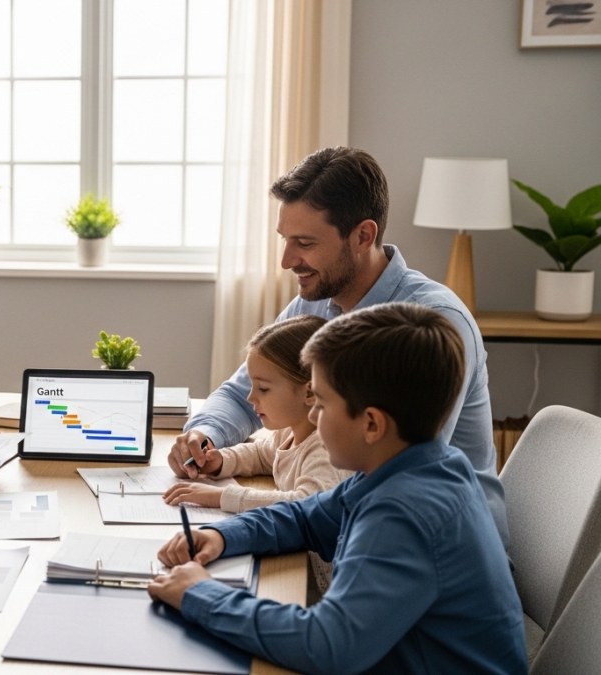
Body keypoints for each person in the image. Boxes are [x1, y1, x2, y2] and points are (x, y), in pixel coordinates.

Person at [149, 303, 526, 673]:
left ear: (372, 425)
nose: (312, 415)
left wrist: (202, 594)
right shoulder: (410, 466)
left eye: (323, 403)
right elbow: (306, 517)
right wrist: (221, 535)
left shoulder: (404, 513)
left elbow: (327, 645)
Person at [170, 146, 509, 546]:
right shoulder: (315, 300)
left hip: (436, 552)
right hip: (358, 529)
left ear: (363, 235)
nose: (286, 260)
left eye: (305, 243)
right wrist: (204, 435)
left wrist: (232, 515)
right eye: (285, 239)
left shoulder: (432, 325)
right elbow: (249, 390)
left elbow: (385, 478)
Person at [162, 315, 349, 512]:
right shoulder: (290, 433)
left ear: (310, 392)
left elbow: (308, 504)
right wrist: (220, 461)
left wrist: (222, 497)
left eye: (263, 388)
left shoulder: (326, 449)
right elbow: (261, 455)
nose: (251, 397)